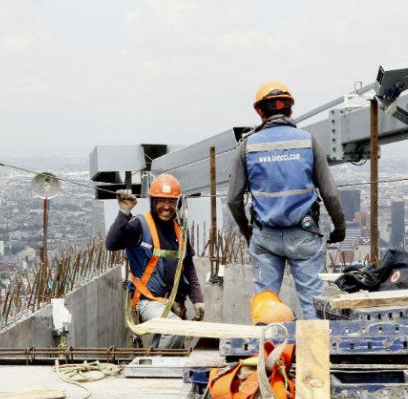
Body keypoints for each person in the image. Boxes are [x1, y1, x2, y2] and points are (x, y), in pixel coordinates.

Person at [228, 80, 346, 319]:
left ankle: (269, 351)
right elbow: (330, 193)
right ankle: (315, 353)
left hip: (265, 236)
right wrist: (340, 228)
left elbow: (233, 200)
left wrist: (248, 231)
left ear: (259, 111)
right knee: (312, 302)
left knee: (265, 301)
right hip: (303, 235)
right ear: (290, 110)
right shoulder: (308, 141)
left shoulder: (247, 147)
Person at [105, 173, 205, 349]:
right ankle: (157, 365)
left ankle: (153, 363)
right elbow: (111, 244)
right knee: (174, 330)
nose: (166, 207)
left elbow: (188, 267)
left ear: (177, 203)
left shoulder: (179, 230)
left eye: (171, 202)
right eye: (161, 201)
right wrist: (124, 212)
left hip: (174, 305)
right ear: (153, 201)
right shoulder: (139, 225)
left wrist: (197, 299)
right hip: (147, 302)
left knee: (173, 342)